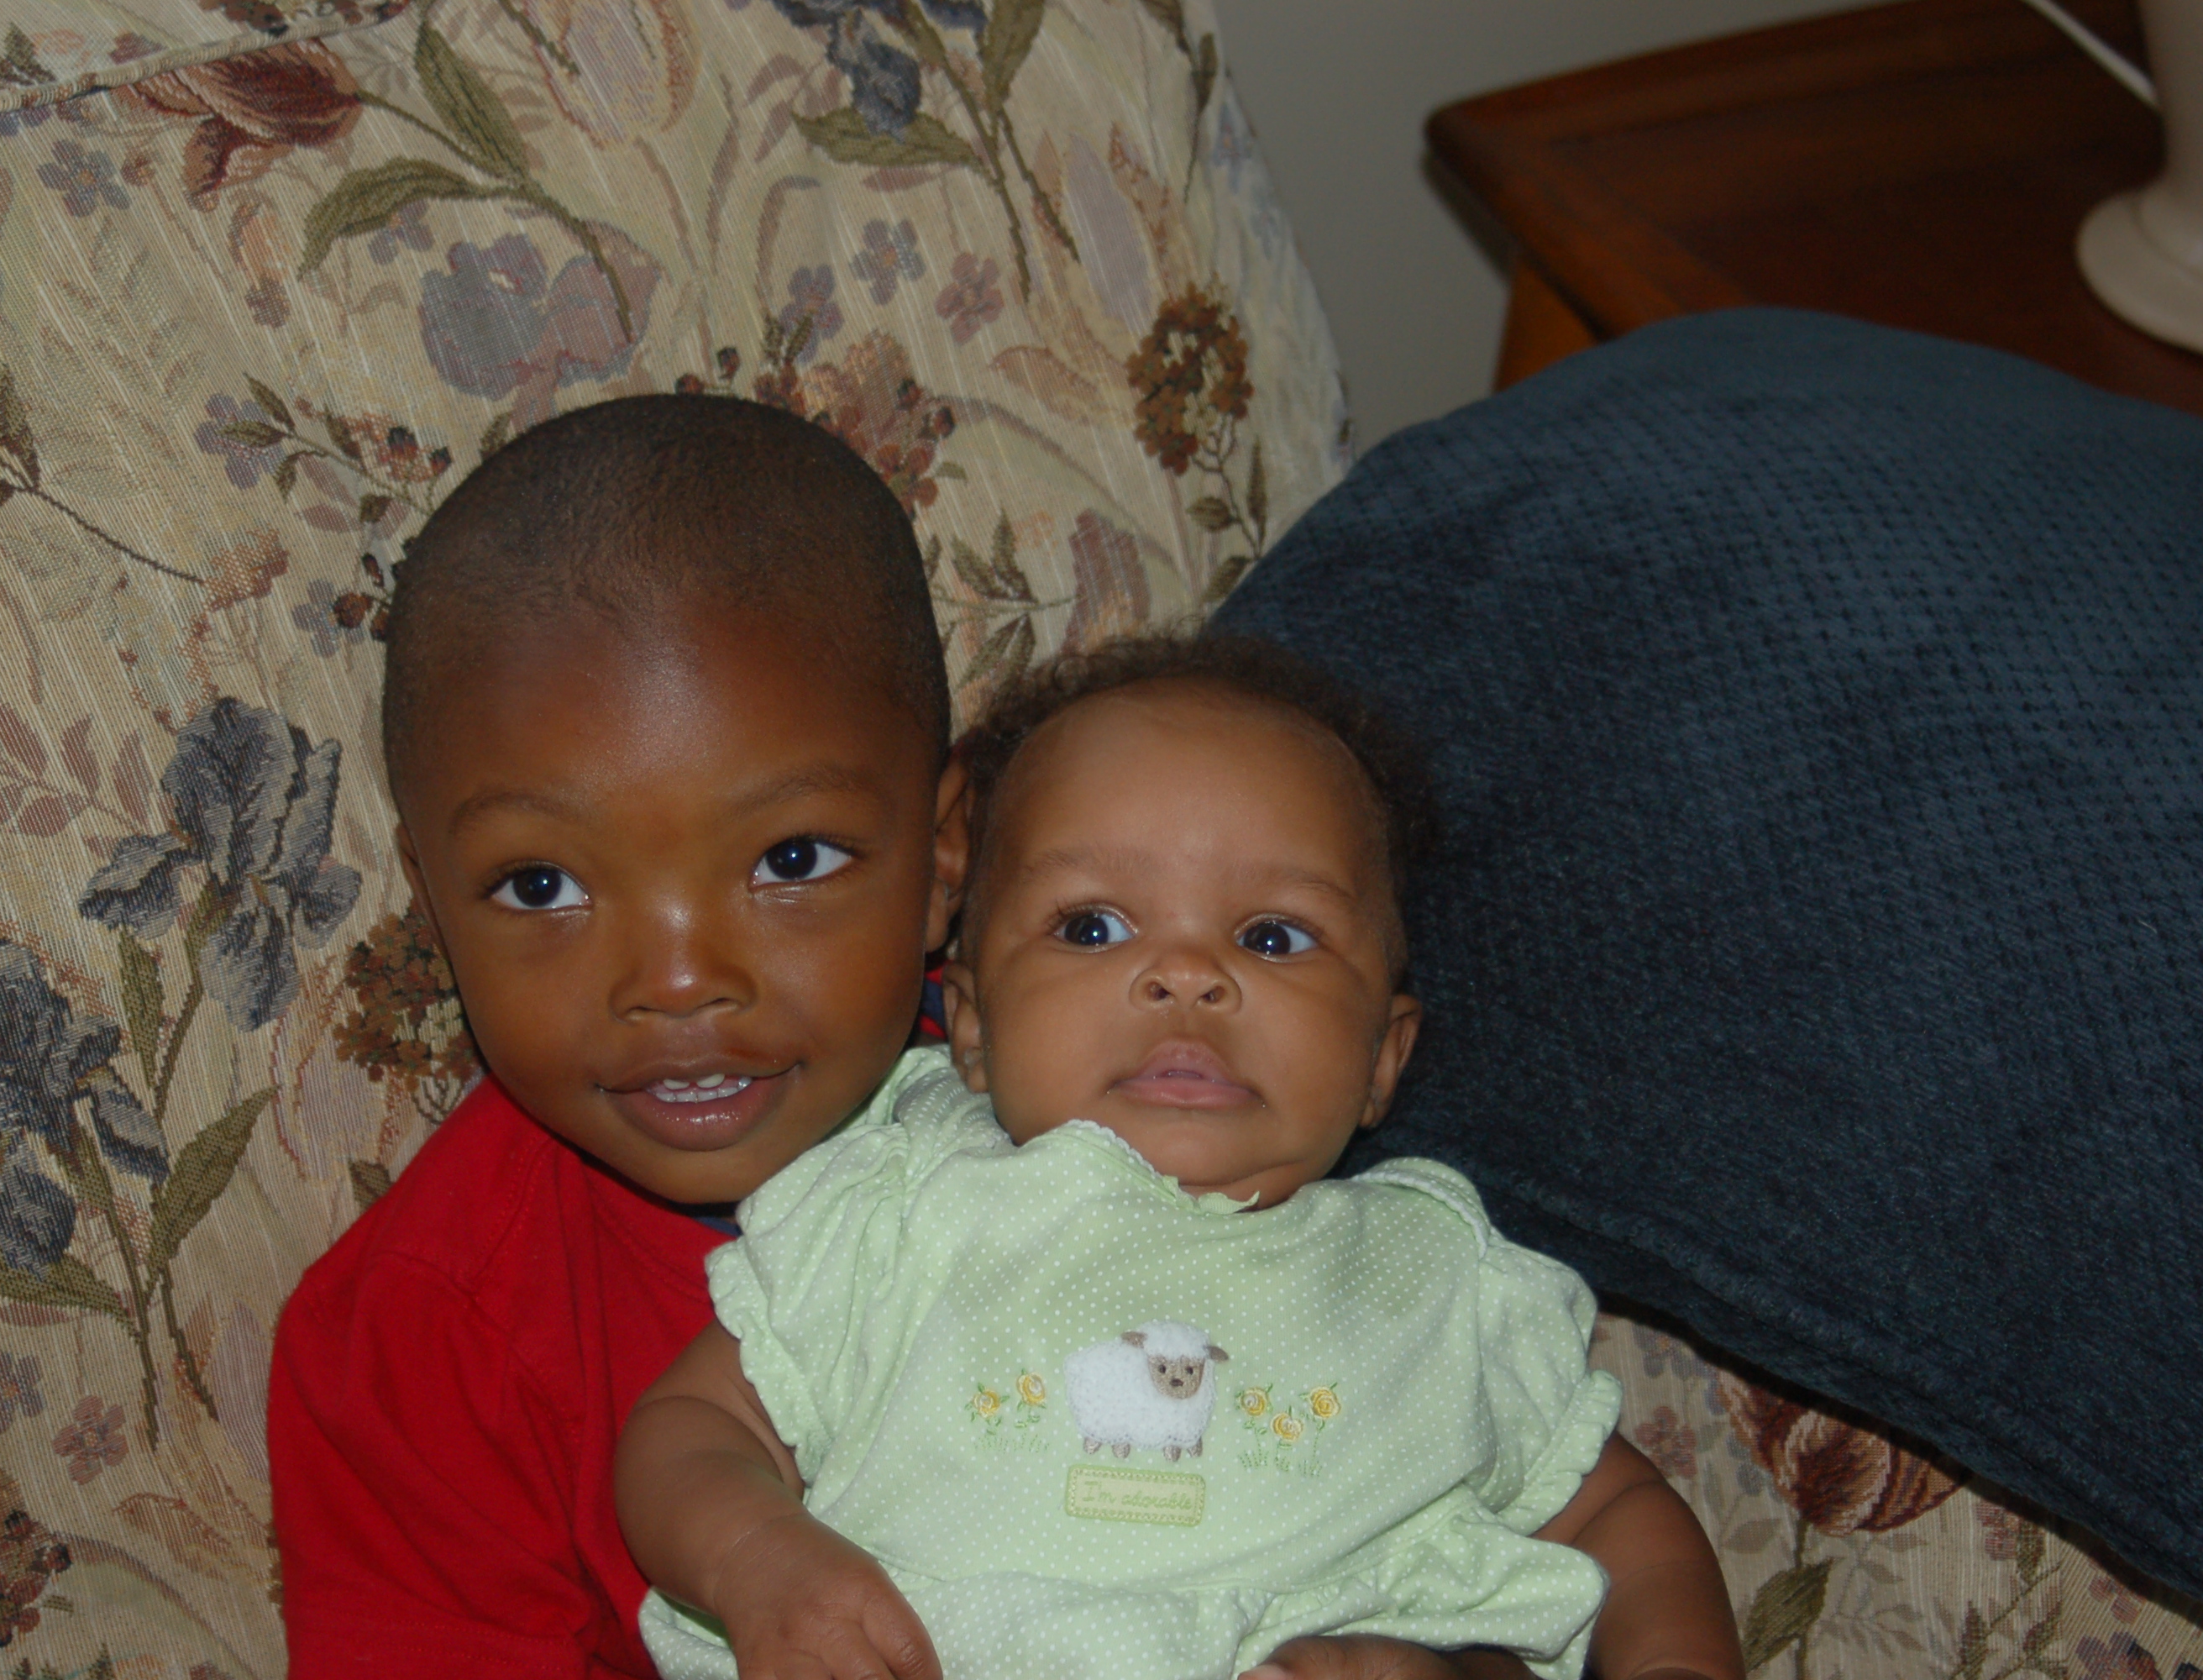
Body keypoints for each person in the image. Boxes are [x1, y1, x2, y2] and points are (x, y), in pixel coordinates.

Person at [617, 634, 1745, 1680]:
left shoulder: (1437, 1281)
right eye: (1093, 926)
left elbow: (1620, 1519)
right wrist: (757, 1556)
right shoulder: (898, 1210)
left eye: (1272, 937)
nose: (1189, 975)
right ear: (972, 1027)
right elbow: (695, 1431)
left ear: (1381, 1059)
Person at [267, 394, 963, 1677]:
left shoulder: (1096, 1109)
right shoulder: (420, 1344)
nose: (679, 983)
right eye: (543, 887)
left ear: (943, 856)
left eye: (790, 861)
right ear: (433, 901)